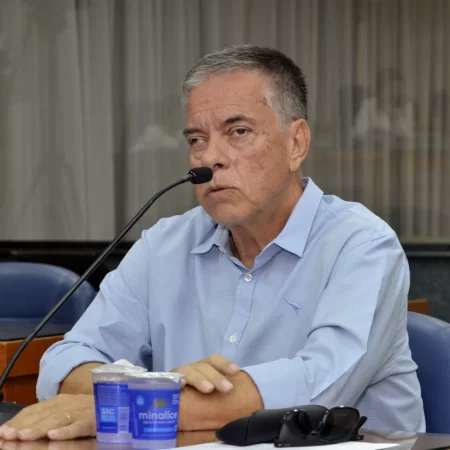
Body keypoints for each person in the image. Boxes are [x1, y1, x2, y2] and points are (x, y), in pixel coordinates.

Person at [0, 45, 425, 442]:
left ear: (296, 143)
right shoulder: (164, 245)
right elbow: (66, 360)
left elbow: (318, 387)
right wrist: (148, 392)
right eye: (196, 140)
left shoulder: (362, 246)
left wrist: (131, 407)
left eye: (238, 131)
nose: (209, 158)